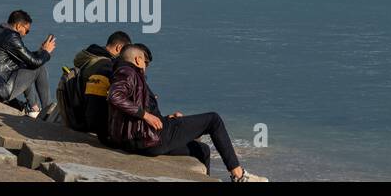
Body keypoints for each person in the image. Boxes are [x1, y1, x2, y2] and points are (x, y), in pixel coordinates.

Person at [107, 44, 266, 182]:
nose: (146, 66)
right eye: (146, 62)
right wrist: (146, 115)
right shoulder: (127, 72)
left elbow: (131, 110)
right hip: (151, 139)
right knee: (213, 120)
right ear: (138, 60)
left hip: (141, 140)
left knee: (202, 150)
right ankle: (239, 175)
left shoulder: (125, 73)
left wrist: (163, 117)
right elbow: (114, 96)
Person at [0, 10, 57, 115]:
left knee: (25, 65)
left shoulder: (0, 32)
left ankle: (34, 108)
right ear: (18, 25)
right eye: (26, 31)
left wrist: (40, 51)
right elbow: (35, 63)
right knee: (39, 68)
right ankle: (47, 110)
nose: (26, 34)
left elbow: (26, 59)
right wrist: (46, 52)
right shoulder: (11, 37)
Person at [69, 30, 132, 143]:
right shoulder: (105, 66)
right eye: (126, 53)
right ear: (119, 48)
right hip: (90, 120)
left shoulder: (90, 57)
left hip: (78, 113)